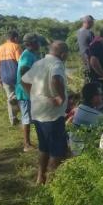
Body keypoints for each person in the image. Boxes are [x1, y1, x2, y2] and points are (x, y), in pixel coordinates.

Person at [21, 41, 69, 184]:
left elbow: (24, 81)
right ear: (63, 54)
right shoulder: (57, 64)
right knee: (57, 151)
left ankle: (40, 177)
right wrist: (61, 97)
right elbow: (55, 79)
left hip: (38, 112)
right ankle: (51, 182)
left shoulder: (39, 63)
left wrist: (34, 95)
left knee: (44, 147)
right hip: (52, 115)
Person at [15, 33, 40, 152]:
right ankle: (27, 145)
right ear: (32, 43)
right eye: (37, 42)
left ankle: (31, 142)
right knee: (26, 118)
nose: (39, 44)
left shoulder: (31, 54)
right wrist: (30, 90)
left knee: (31, 117)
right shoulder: (27, 56)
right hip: (25, 92)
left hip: (30, 91)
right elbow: (24, 70)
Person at [68, 83, 103, 155]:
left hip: (74, 147)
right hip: (82, 152)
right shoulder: (99, 116)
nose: (102, 97)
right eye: (101, 94)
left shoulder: (79, 108)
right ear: (95, 97)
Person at [0, 31, 22, 126]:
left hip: (4, 77)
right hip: (16, 76)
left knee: (10, 97)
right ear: (15, 38)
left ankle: (13, 119)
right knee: (21, 97)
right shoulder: (16, 46)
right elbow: (20, 63)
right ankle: (25, 117)